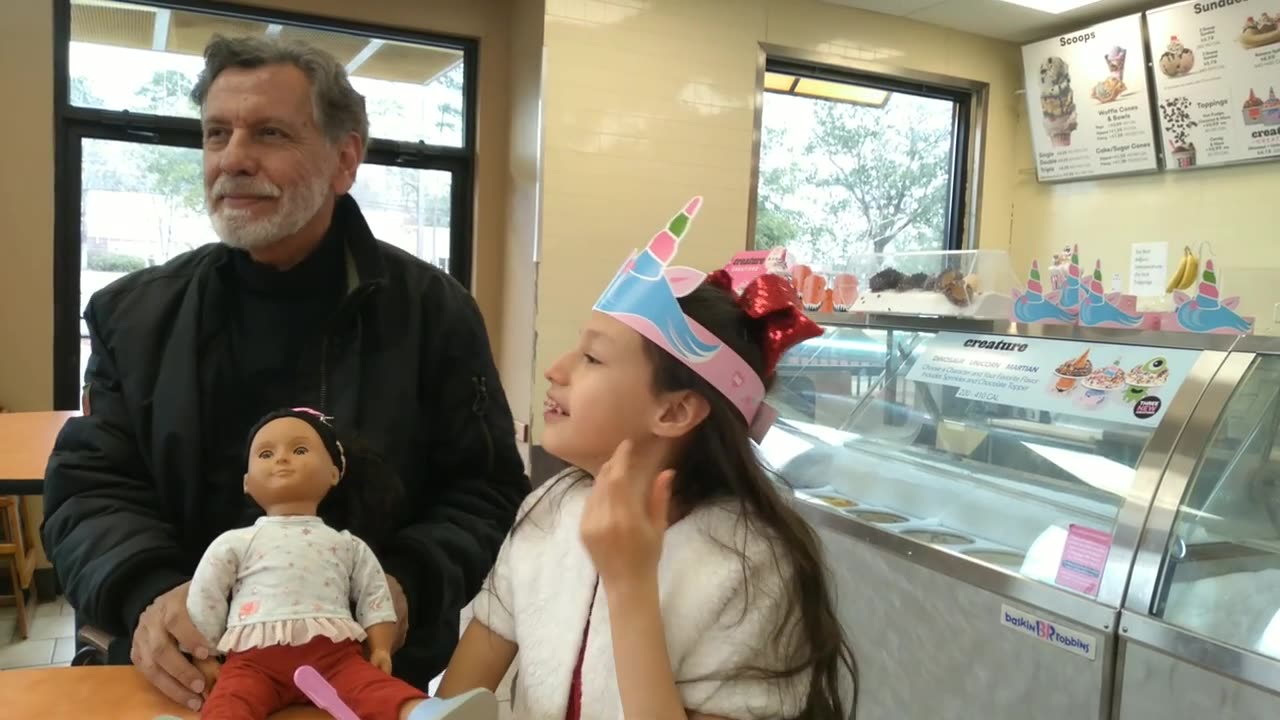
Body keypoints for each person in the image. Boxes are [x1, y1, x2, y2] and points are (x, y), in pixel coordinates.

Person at [41, 34, 528, 713]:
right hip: (182, 677)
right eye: (217, 134)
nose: (233, 158)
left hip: (365, 674)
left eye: (269, 133)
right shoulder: (135, 315)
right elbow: (90, 488)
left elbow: (485, 488)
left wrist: (402, 584)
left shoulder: (432, 313)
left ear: (344, 160)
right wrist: (148, 590)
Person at [436, 198, 857, 719]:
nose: (557, 370)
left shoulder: (749, 568)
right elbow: (456, 697)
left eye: (592, 357)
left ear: (677, 410)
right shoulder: (551, 505)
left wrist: (630, 582)